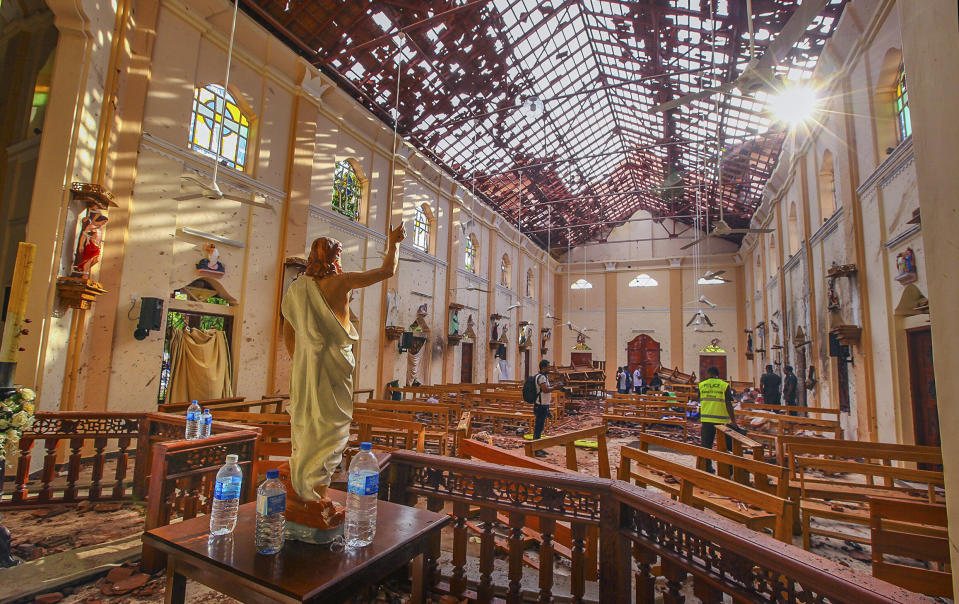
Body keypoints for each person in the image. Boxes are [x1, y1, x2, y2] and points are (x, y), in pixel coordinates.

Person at [282, 223, 405, 505]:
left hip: (307, 366)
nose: (340, 262)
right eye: (338, 257)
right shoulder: (342, 281)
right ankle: (315, 494)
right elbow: (387, 271)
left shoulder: (297, 289)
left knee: (308, 423)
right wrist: (394, 243)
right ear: (333, 259)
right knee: (333, 426)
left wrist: (301, 360)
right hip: (335, 363)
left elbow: (288, 330)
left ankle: (306, 489)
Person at [697, 366, 739, 473]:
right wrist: (733, 421)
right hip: (721, 421)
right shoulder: (724, 385)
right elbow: (728, 404)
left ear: (708, 374)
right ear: (718, 374)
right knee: (725, 446)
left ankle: (707, 469)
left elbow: (701, 401)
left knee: (706, 445)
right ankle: (728, 470)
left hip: (706, 420)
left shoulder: (701, 385)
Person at [533, 359, 554, 455]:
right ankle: (535, 449)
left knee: (540, 428)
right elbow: (545, 390)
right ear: (544, 368)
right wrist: (556, 387)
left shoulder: (544, 377)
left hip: (544, 405)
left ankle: (539, 447)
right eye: (548, 367)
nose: (550, 368)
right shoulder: (541, 377)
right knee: (538, 428)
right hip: (540, 406)